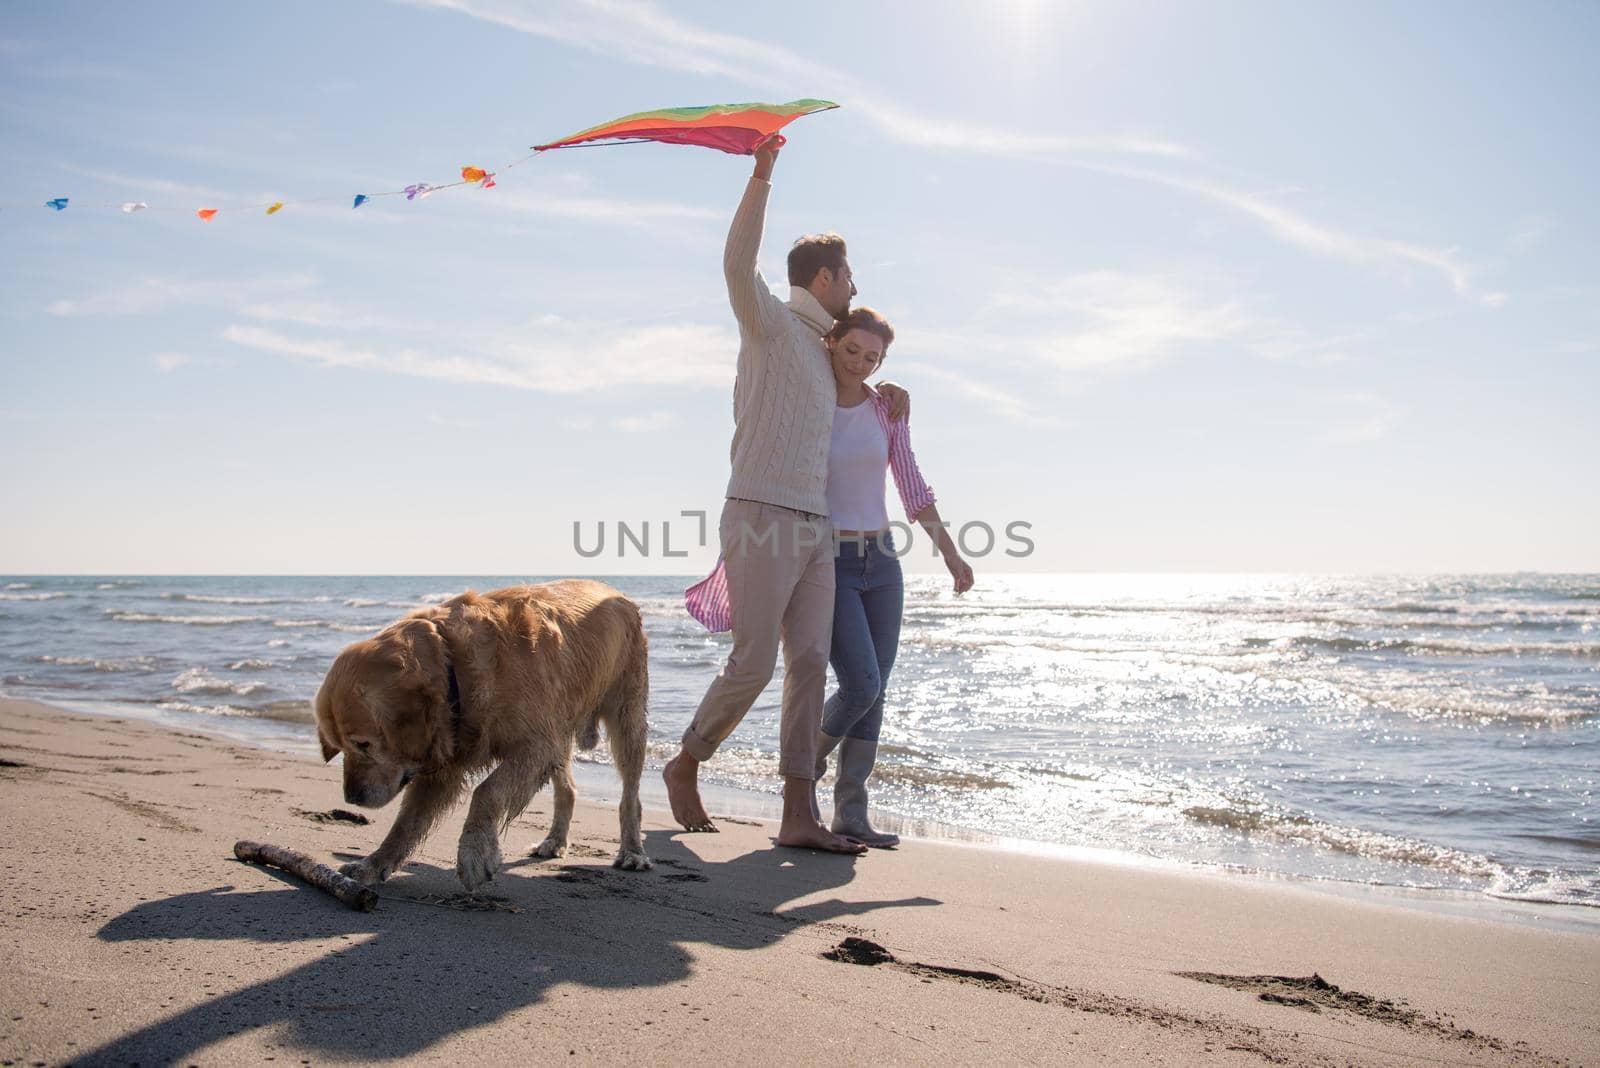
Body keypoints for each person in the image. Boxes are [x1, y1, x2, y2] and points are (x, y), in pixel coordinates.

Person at [665, 139, 907, 854]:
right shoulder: (769, 323)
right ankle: (688, 760)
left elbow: (860, 396)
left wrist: (888, 393)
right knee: (756, 661)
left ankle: (797, 815)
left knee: (808, 663)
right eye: (850, 277)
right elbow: (736, 264)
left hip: (819, 528)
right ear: (825, 276)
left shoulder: (832, 351)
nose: (856, 287)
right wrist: (762, 174)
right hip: (762, 514)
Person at [812, 307, 974, 848]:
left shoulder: (886, 410)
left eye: (873, 357)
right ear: (831, 341)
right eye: (852, 350)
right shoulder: (808, 398)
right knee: (862, 682)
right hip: (827, 560)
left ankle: (851, 813)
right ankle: (800, 776)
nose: (860, 363)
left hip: (881, 562)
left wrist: (950, 554)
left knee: (875, 691)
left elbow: (912, 484)